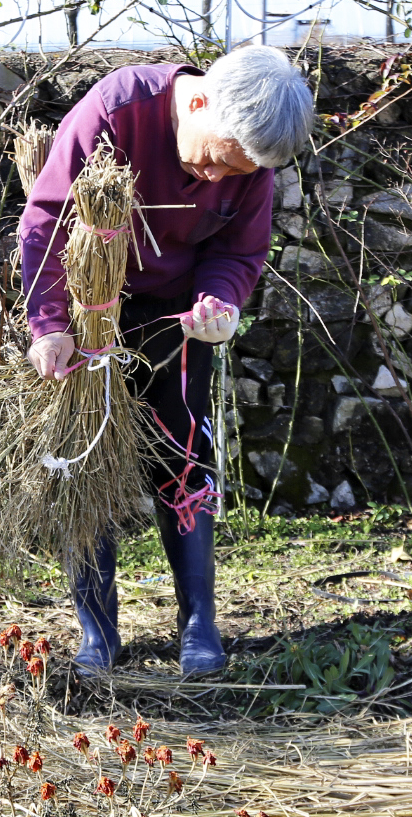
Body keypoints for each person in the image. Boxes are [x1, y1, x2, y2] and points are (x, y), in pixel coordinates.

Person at [18, 44, 314, 677]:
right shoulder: (118, 110)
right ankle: (98, 630)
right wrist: (49, 325)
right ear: (200, 100)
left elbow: (239, 251)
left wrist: (220, 302)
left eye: (234, 172)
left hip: (177, 317)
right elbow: (46, 218)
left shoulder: (249, 156)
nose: (216, 178)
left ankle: (198, 621)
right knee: (83, 458)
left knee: (183, 454)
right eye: (216, 158)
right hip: (89, 310)